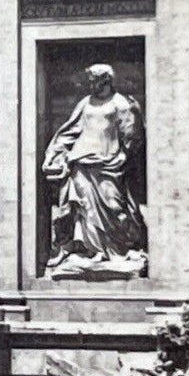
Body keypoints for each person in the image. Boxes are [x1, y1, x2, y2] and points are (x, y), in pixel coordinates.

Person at [42, 64, 148, 276]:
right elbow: (70, 130)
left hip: (110, 163)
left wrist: (122, 157)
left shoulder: (121, 104)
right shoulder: (85, 103)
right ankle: (92, 251)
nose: (91, 85)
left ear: (106, 81)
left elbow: (132, 135)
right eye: (90, 82)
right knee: (84, 208)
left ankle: (116, 252)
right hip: (81, 161)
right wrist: (54, 153)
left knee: (113, 205)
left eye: (95, 81)